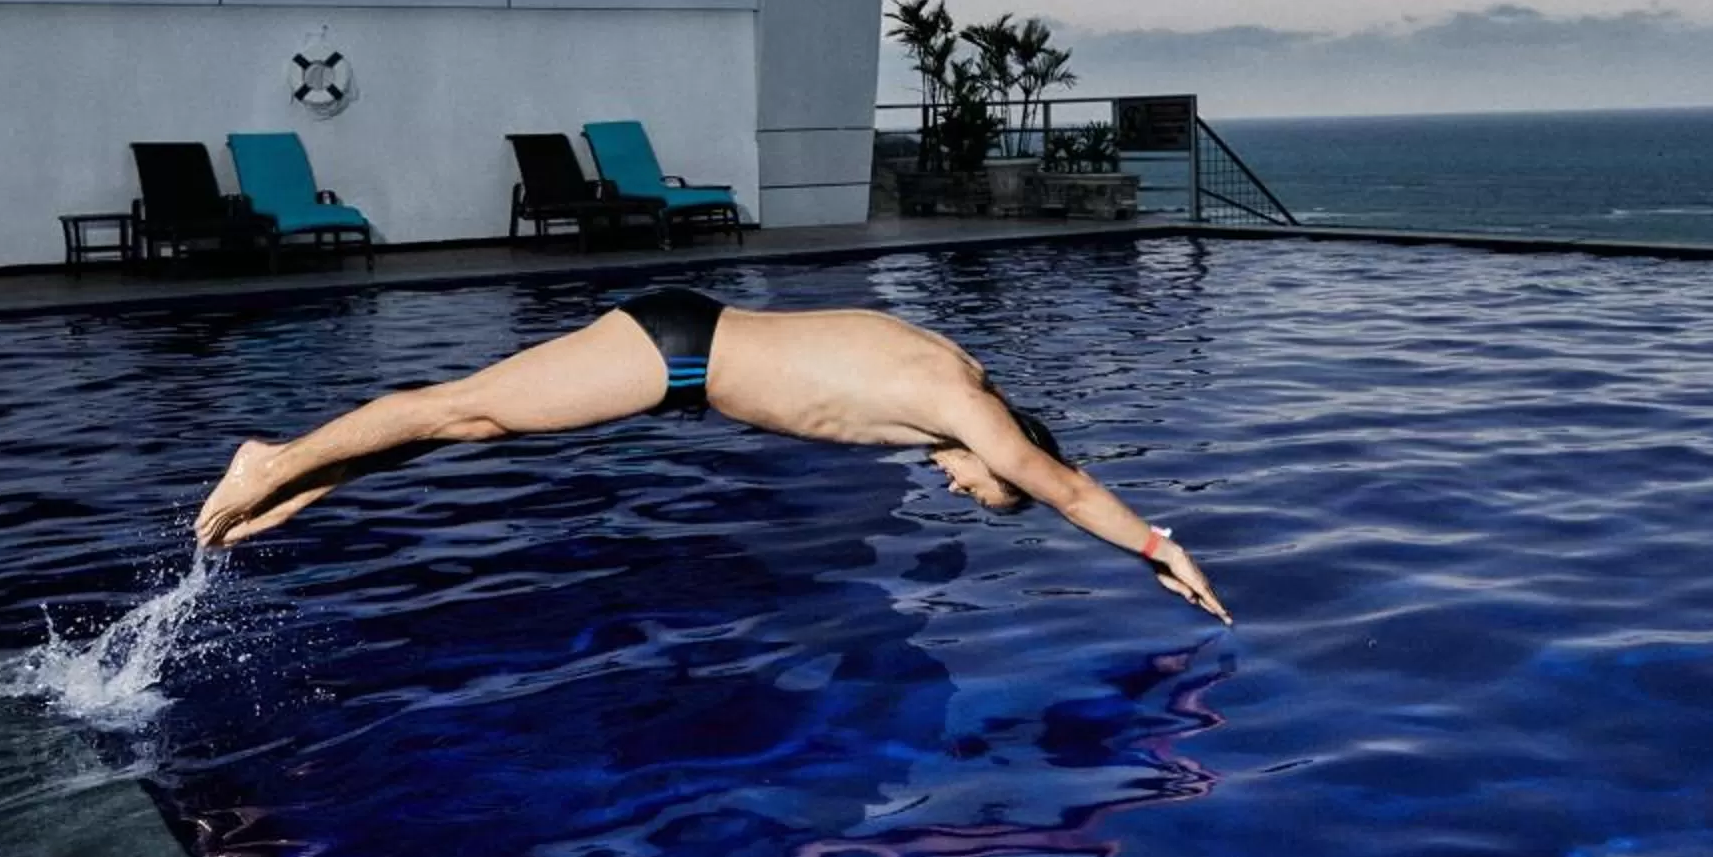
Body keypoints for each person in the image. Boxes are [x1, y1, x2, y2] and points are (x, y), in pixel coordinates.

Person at [195, 289, 1232, 624]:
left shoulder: (951, 368)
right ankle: (269, 458)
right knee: (468, 408)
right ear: (1003, 458)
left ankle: (295, 478)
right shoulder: (966, 408)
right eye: (980, 491)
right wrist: (1157, 546)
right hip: (677, 354)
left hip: (685, 346)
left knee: (472, 425)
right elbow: (1067, 485)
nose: (961, 485)